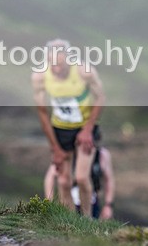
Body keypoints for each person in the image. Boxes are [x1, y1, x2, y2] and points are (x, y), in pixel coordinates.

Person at [32, 39, 105, 215]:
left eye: (61, 65)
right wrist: (55, 148)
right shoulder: (40, 76)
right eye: (53, 64)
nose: (56, 69)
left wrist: (88, 130)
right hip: (61, 129)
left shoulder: (84, 72)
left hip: (84, 128)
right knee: (64, 182)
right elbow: (42, 113)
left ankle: (87, 221)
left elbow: (100, 97)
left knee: (81, 178)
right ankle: (71, 223)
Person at [44, 146, 115, 219]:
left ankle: (87, 218)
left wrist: (108, 205)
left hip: (91, 202)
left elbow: (108, 179)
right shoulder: (66, 153)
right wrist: (50, 203)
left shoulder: (101, 155)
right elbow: (50, 177)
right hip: (68, 200)